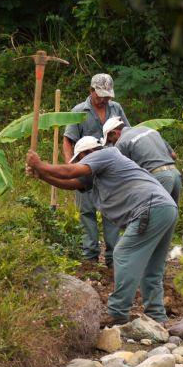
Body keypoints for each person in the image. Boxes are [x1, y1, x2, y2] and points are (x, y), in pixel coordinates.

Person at [26, 137, 178, 327]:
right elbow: (72, 182)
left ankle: (118, 312)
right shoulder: (102, 172)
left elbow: (69, 171)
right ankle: (157, 316)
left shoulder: (105, 154)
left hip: (149, 209)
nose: (80, 165)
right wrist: (41, 174)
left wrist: (40, 164)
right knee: (152, 267)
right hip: (164, 208)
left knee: (123, 254)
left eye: (80, 160)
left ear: (86, 155)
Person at [63, 74, 130, 266]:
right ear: (91, 91)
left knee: (112, 212)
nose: (104, 99)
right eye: (100, 95)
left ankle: (113, 257)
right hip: (86, 168)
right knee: (87, 211)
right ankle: (90, 256)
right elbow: (68, 140)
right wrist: (71, 167)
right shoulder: (79, 111)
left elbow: (125, 133)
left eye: (107, 96)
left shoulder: (116, 109)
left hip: (111, 171)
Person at [101, 117, 182, 204]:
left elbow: (121, 172)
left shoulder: (121, 142)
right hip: (176, 174)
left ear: (114, 133)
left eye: (110, 141)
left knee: (154, 213)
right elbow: (173, 155)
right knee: (171, 213)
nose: (113, 144)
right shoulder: (149, 130)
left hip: (159, 178)